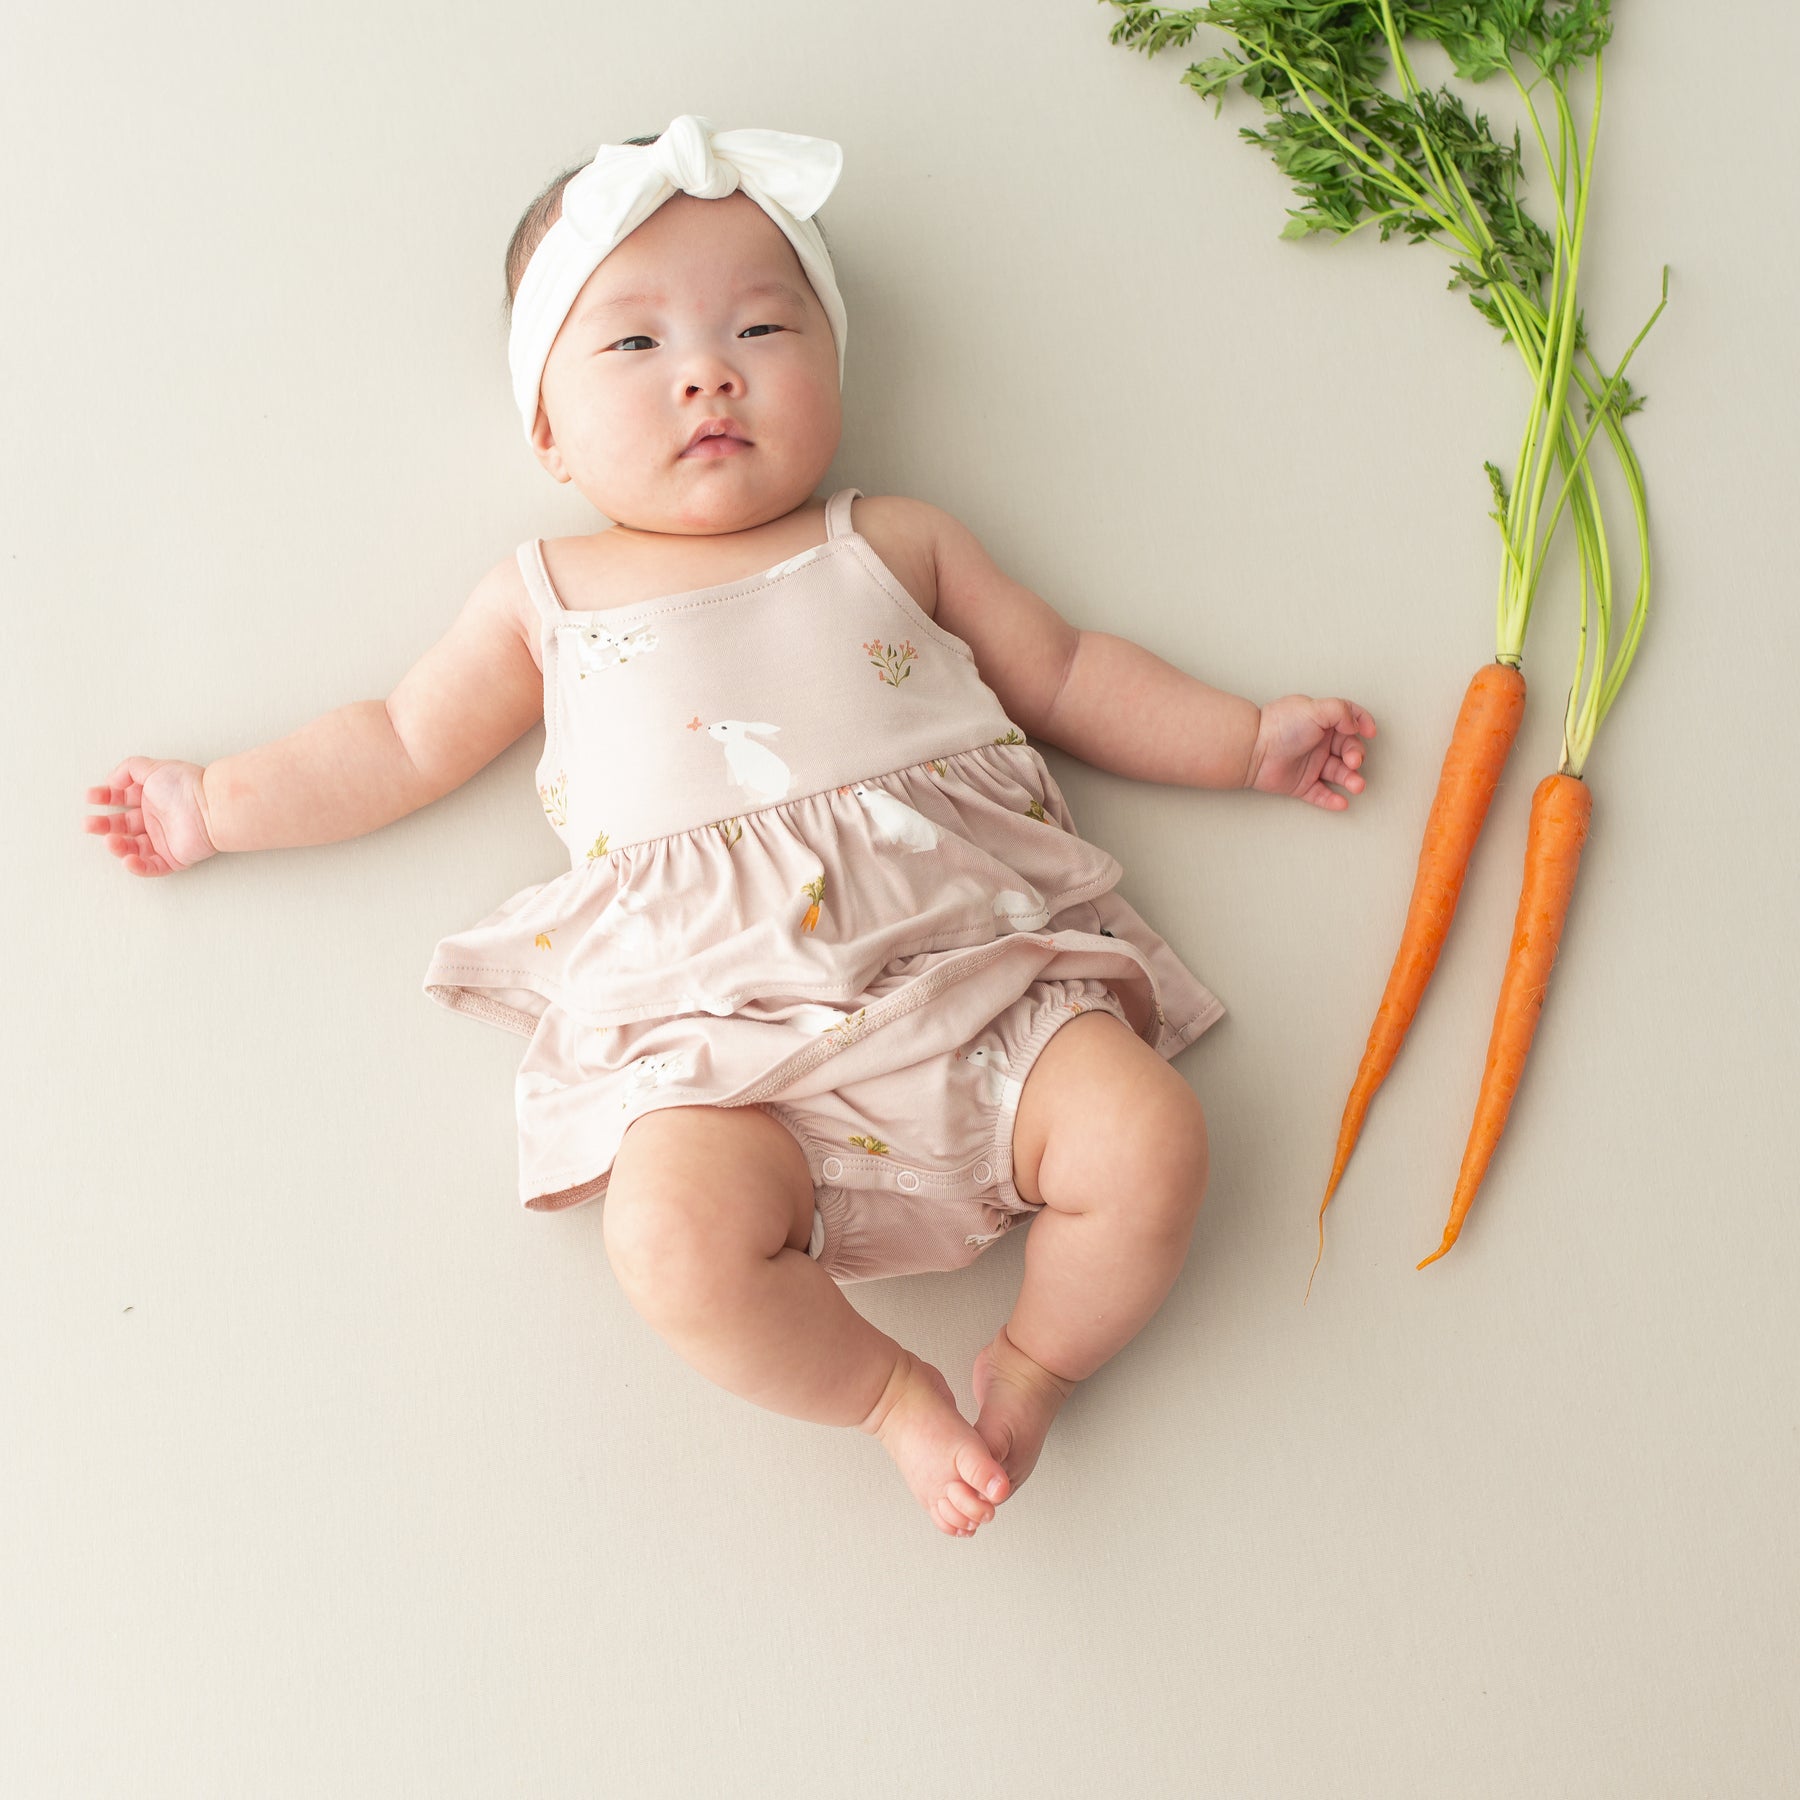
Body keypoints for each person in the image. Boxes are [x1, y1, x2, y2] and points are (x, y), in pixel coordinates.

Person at [81, 116, 1376, 1540]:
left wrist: (1243, 742)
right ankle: (887, 1399)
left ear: (830, 368)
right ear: (546, 427)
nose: (706, 369)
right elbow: (395, 741)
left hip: (975, 992)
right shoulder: (546, 596)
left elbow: (1065, 675)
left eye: (761, 325)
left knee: (1151, 1140)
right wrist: (216, 806)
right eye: (633, 347)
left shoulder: (889, 542)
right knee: (668, 1240)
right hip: (721, 1051)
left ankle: (1036, 1363)